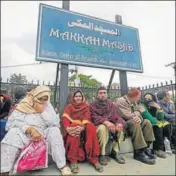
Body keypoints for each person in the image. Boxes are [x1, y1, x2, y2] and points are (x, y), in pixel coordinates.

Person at [0, 86, 72, 176]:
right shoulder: (24, 104)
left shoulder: (48, 106)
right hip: (25, 135)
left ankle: (62, 165)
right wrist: (29, 129)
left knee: (55, 131)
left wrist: (42, 112)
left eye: (46, 98)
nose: (43, 100)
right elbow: (10, 123)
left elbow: (55, 123)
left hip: (43, 134)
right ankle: (4, 170)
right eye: (41, 97)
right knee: (12, 133)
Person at [62, 90, 103, 174]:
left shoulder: (86, 106)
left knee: (91, 128)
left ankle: (94, 158)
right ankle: (73, 161)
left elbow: (87, 118)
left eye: (79, 96)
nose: (78, 98)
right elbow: (65, 119)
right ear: (73, 98)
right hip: (73, 127)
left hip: (83, 125)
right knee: (73, 129)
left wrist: (82, 126)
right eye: (76, 96)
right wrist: (67, 128)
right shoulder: (69, 107)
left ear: (82, 97)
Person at [115, 88, 156, 165]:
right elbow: (125, 115)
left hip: (133, 120)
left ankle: (146, 148)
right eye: (139, 96)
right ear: (134, 96)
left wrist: (139, 117)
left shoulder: (134, 102)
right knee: (135, 122)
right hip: (123, 124)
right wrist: (137, 115)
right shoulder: (120, 101)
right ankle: (138, 152)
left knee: (147, 122)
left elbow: (139, 113)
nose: (139, 98)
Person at [90, 87, 126, 166]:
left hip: (111, 125)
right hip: (98, 126)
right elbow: (93, 117)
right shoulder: (92, 105)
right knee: (103, 128)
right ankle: (102, 154)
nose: (102, 95)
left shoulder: (111, 104)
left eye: (104, 93)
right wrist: (105, 121)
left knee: (120, 127)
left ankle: (115, 152)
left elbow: (117, 116)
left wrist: (119, 123)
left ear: (107, 94)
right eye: (100, 93)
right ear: (97, 95)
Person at [139, 93, 172, 157]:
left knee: (167, 124)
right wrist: (158, 122)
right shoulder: (142, 106)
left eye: (149, 98)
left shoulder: (154, 106)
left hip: (154, 122)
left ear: (153, 99)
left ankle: (166, 147)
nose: (147, 100)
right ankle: (157, 149)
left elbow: (161, 118)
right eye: (145, 98)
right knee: (158, 125)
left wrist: (159, 108)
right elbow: (148, 118)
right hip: (146, 124)